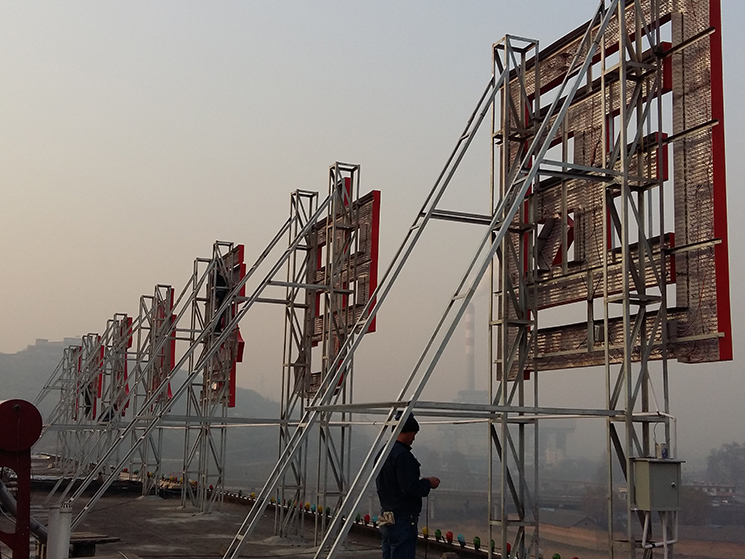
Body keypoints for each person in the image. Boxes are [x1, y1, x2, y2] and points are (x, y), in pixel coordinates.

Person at [376, 413, 440, 559]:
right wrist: (428, 483)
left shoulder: (384, 451)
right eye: (413, 434)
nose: (414, 438)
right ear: (406, 431)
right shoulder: (402, 455)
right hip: (402, 519)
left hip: (387, 516)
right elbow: (409, 488)